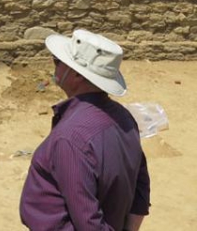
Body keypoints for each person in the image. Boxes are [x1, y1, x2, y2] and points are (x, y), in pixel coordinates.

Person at [20, 30, 150, 230]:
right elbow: (141, 184)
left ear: (77, 75)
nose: (55, 68)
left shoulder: (71, 138)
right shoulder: (124, 117)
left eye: (57, 61)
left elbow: (88, 222)